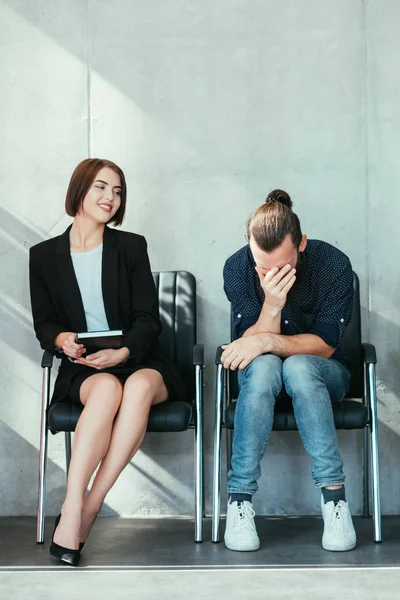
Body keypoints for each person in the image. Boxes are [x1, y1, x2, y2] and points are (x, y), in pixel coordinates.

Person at [29, 158, 184, 566]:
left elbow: (148, 318)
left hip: (140, 358)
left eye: (117, 191)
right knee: (107, 390)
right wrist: (62, 339)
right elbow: (45, 322)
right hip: (85, 365)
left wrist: (124, 351)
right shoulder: (43, 256)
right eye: (100, 187)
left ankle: (85, 508)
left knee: (131, 385)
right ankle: (75, 506)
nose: (109, 198)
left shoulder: (130, 246)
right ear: (79, 189)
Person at [221, 189, 356, 553]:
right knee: (264, 367)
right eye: (263, 267)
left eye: (282, 267)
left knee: (297, 367)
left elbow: (326, 343)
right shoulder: (237, 267)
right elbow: (247, 349)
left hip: (326, 373)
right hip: (262, 377)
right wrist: (272, 302)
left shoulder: (333, 264)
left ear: (302, 244)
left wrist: (266, 341)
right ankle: (239, 501)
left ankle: (334, 500)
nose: (271, 273)